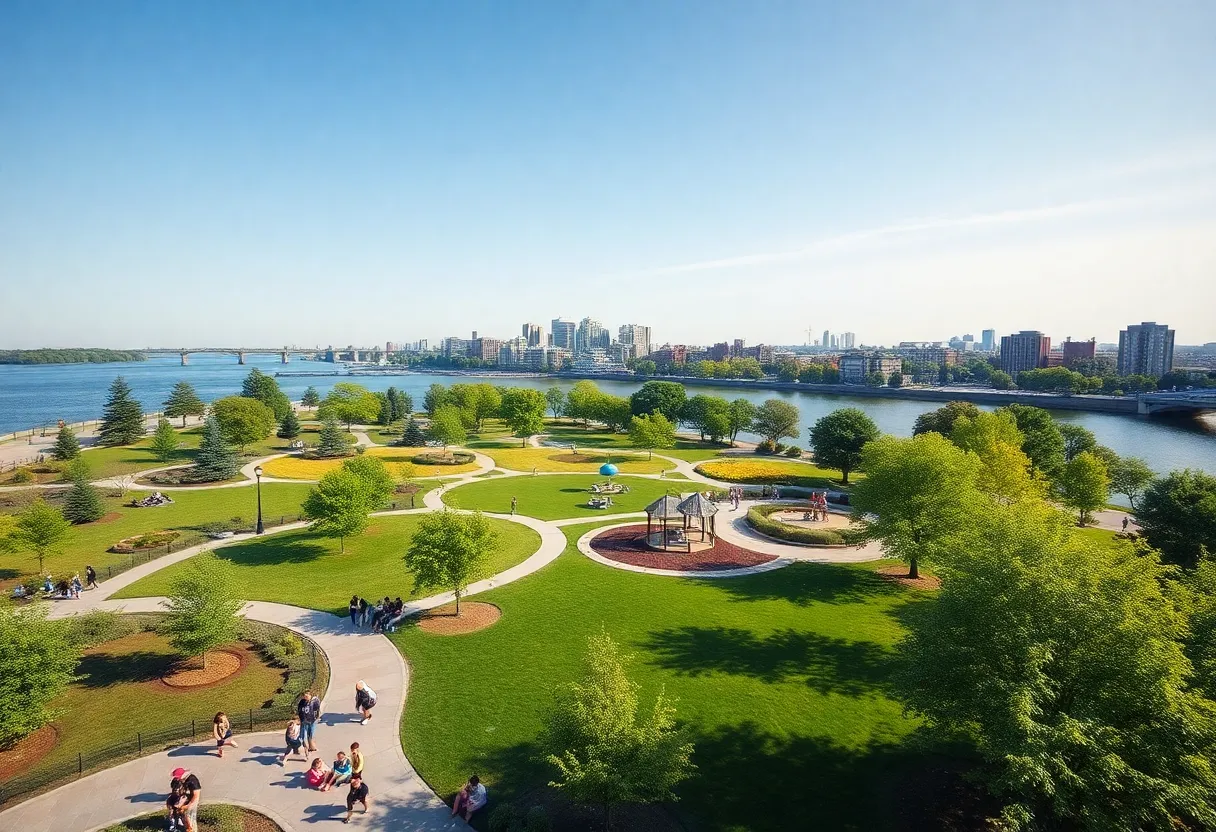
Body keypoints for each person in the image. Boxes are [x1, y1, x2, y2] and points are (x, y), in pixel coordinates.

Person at [171, 767, 201, 832]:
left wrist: (189, 805)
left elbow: (196, 795)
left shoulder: (193, 781)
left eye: (177, 777)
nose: (176, 778)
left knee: (190, 816)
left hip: (193, 800)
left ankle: (192, 829)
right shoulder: (182, 779)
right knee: (182, 813)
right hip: (186, 797)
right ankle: (186, 827)